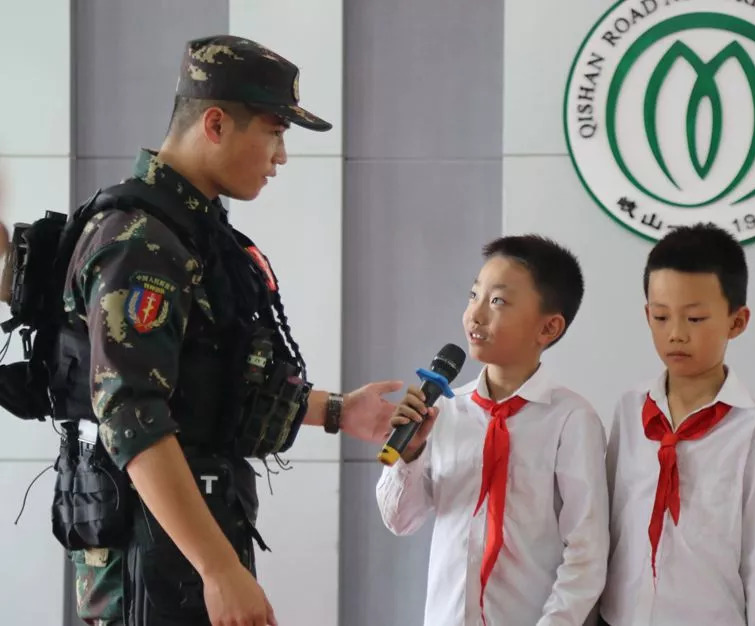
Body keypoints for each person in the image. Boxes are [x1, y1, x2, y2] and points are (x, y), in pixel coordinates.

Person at [61, 35, 401, 626]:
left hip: (183, 547)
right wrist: (218, 569)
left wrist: (340, 411)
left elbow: (209, 386)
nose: (281, 156)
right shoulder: (140, 243)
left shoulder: (192, 235)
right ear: (215, 123)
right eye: (274, 132)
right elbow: (131, 416)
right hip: (151, 564)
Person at [376, 235, 609, 625]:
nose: (475, 315)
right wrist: (410, 454)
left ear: (548, 328)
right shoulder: (445, 410)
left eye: (497, 301)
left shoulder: (571, 420)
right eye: (473, 295)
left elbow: (586, 551)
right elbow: (399, 520)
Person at [599, 223, 755, 625]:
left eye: (696, 319)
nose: (676, 334)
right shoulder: (632, 410)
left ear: (737, 322)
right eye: (662, 317)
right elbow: (608, 525)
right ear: (647, 314)